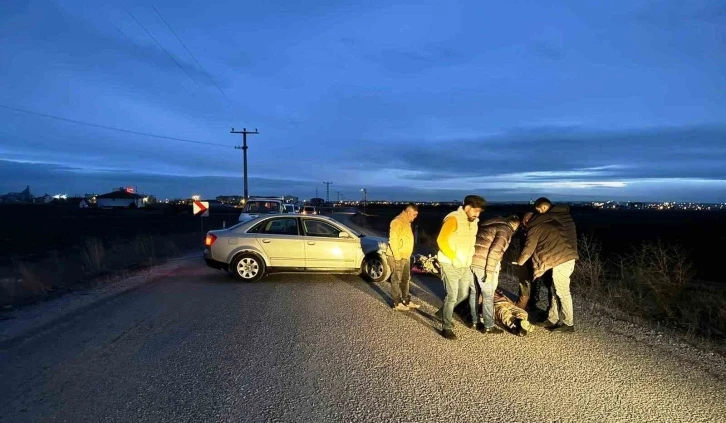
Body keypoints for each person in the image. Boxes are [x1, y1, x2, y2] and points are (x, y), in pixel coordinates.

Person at [514, 199, 579, 333]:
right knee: (555, 290)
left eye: (525, 224)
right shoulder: (553, 220)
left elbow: (528, 248)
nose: (524, 227)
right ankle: (552, 318)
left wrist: (519, 261)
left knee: (562, 292)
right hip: (565, 258)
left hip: (562, 260)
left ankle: (568, 323)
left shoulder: (536, 227)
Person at [434, 195, 486, 340]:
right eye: (476, 211)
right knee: (452, 295)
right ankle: (446, 327)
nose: (478, 214)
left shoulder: (474, 221)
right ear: (467, 207)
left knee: (463, 294)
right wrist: (454, 258)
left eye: (480, 212)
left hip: (465, 264)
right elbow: (441, 240)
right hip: (450, 263)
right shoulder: (453, 218)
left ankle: (442, 312)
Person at [469, 214, 521, 333]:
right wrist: (490, 272)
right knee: (488, 295)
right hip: (483, 264)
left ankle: (474, 322)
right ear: (515, 225)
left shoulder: (488, 225)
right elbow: (495, 252)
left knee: (474, 292)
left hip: (471, 261)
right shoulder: (506, 230)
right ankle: (488, 325)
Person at [387, 203, 420, 311]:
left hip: (405, 256)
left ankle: (406, 300)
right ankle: (397, 302)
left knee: (405, 279)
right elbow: (393, 241)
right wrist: (397, 258)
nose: (415, 217)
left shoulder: (407, 222)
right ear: (408, 212)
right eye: (414, 214)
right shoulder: (397, 221)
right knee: (396, 279)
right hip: (397, 257)